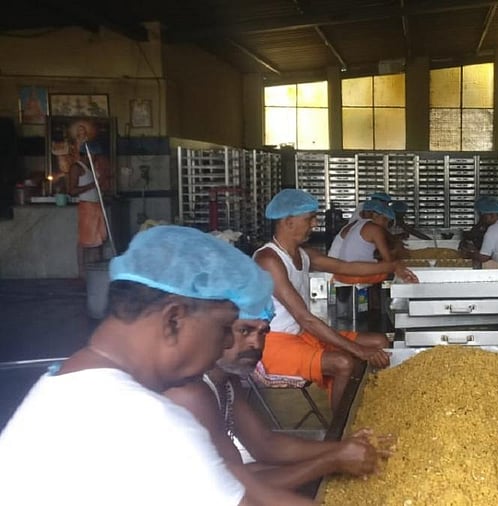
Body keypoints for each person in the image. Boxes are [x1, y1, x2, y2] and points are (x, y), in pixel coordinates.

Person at [0, 225, 313, 505]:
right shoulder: (148, 416)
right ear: (173, 320)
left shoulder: (64, 383)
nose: (227, 344)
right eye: (222, 330)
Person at [165, 302, 391, 491]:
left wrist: (339, 448)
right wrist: (331, 460)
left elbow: (266, 445)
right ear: (218, 330)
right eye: (244, 330)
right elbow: (232, 485)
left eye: (263, 332)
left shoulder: (227, 381)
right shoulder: (191, 393)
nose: (256, 343)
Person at [253, 189, 415, 411]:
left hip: (302, 336)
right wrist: (357, 350)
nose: (314, 224)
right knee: (343, 363)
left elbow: (345, 267)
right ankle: (339, 431)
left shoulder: (303, 254)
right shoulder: (269, 259)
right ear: (288, 222)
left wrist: (392, 266)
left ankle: (368, 409)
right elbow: (305, 318)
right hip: (274, 344)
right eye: (309, 219)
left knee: (378, 342)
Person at [67, 151, 107, 278]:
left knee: (98, 240)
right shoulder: (77, 167)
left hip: (96, 206)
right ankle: (83, 273)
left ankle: (95, 271)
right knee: (86, 241)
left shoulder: (91, 168)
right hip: (87, 206)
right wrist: (93, 184)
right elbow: (72, 191)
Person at [328, 199, 396, 264]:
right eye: (385, 220)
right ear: (375, 215)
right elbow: (388, 259)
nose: (386, 225)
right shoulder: (374, 229)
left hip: (343, 266)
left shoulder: (361, 223)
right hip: (344, 267)